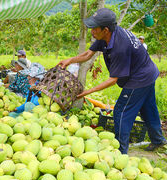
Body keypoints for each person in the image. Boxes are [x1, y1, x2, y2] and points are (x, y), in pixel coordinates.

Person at [58, 8, 166, 154]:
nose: (91, 31)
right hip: (148, 71)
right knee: (148, 108)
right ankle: (159, 141)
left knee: (121, 111)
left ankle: (120, 152)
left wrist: (87, 92)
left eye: (94, 28)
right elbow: (88, 54)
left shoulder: (119, 47)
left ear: (106, 29)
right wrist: (70, 60)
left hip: (140, 78)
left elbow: (113, 80)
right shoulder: (105, 36)